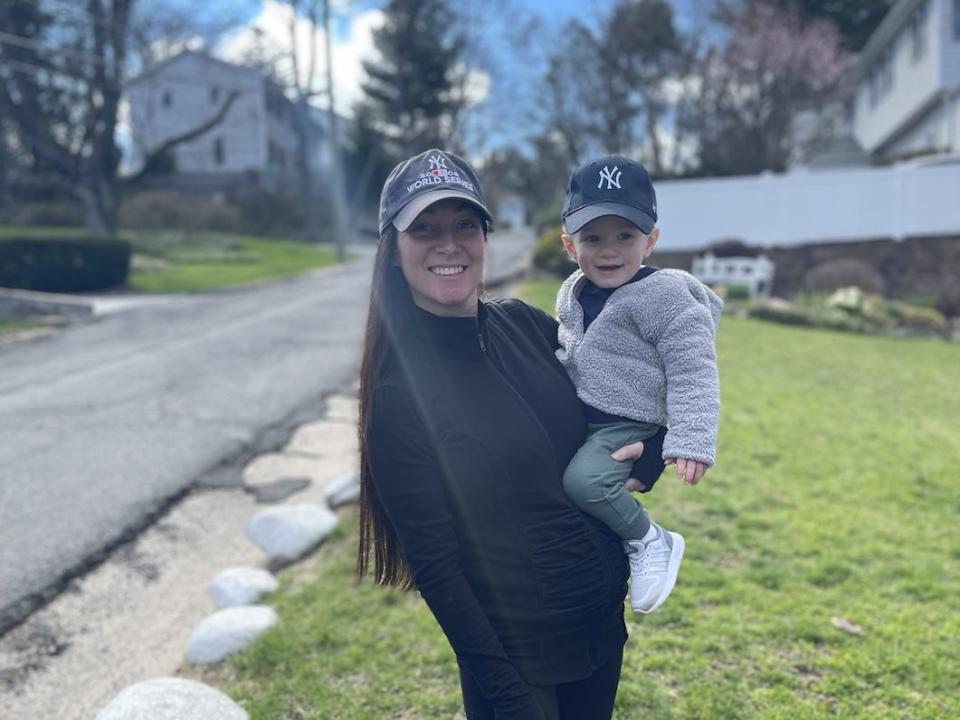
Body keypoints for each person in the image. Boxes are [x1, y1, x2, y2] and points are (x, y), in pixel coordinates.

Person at [356, 149, 667, 720]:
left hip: (600, 628)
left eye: (465, 225)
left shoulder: (528, 326)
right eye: (423, 228)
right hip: (518, 666)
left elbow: (621, 397)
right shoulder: (401, 398)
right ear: (393, 253)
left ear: (483, 239)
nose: (448, 244)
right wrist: (505, 693)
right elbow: (437, 568)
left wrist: (651, 455)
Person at [555, 155, 722, 615]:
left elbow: (693, 372)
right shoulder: (574, 290)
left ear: (650, 241)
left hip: (626, 423)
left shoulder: (664, 297)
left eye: (625, 236)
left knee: (584, 483)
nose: (609, 251)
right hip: (585, 418)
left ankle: (649, 539)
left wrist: (689, 440)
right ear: (570, 245)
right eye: (593, 238)